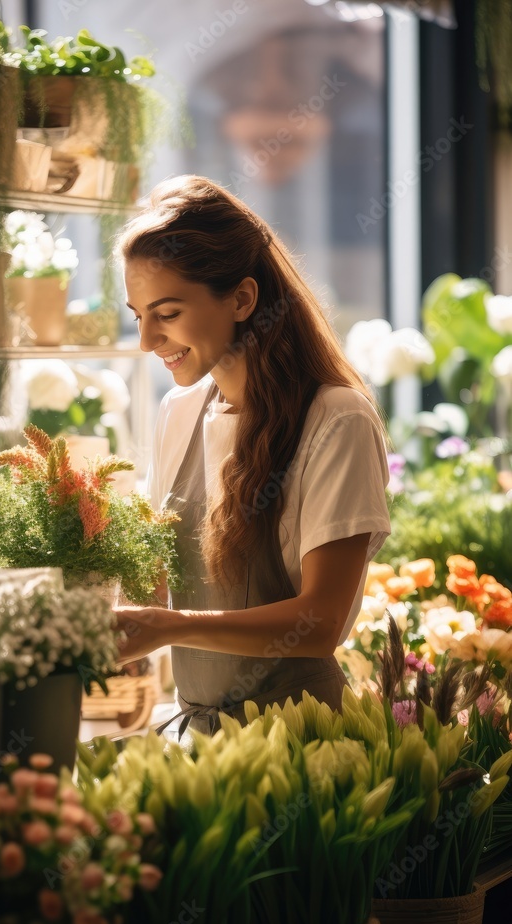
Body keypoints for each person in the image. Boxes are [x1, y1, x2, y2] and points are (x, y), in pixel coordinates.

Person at [113, 174, 391, 735]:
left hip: (303, 749)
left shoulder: (336, 419)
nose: (146, 340)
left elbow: (320, 621)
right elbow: (157, 581)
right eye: (137, 314)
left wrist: (166, 626)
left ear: (242, 299)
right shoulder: (178, 412)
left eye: (166, 314)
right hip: (198, 742)